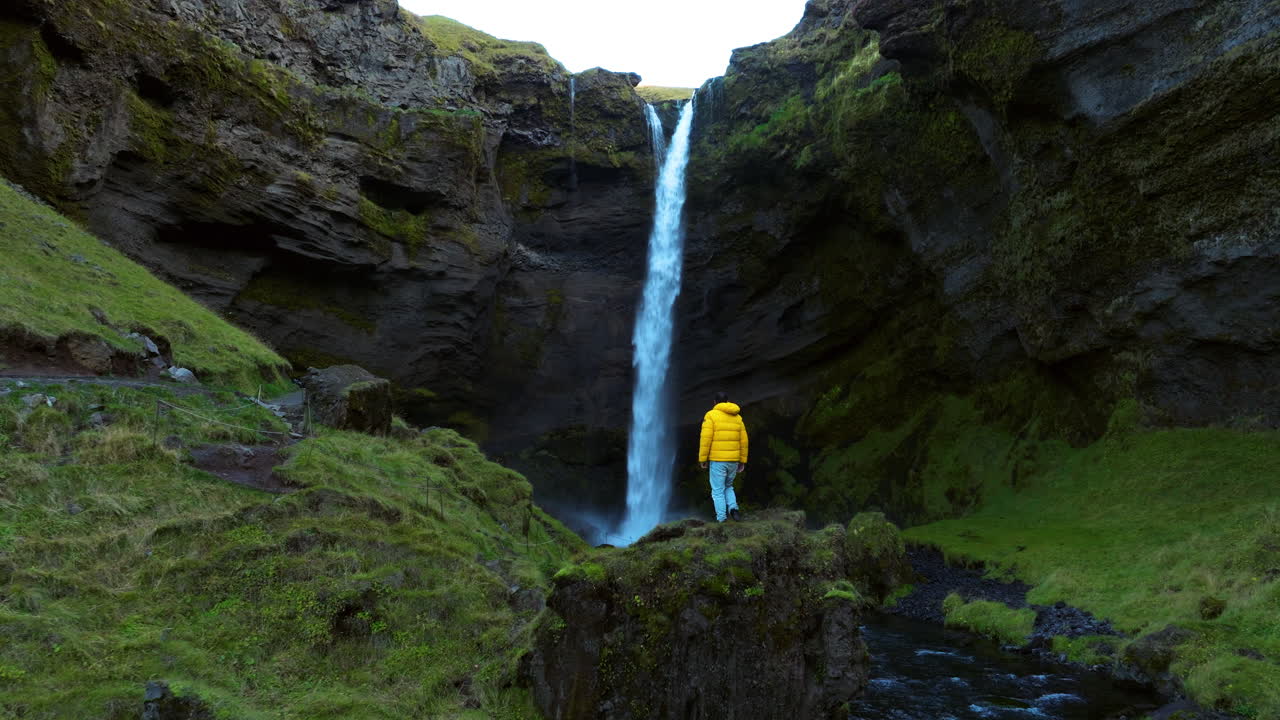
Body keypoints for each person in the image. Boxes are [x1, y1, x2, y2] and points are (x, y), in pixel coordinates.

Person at [698, 391, 748, 522]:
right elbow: (744, 441)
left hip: (718, 460)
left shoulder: (711, 415)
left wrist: (703, 459)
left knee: (717, 491)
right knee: (728, 486)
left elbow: (705, 439)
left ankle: (722, 519)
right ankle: (733, 509)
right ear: (727, 401)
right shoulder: (737, 417)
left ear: (714, 402)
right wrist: (742, 461)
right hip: (733, 460)